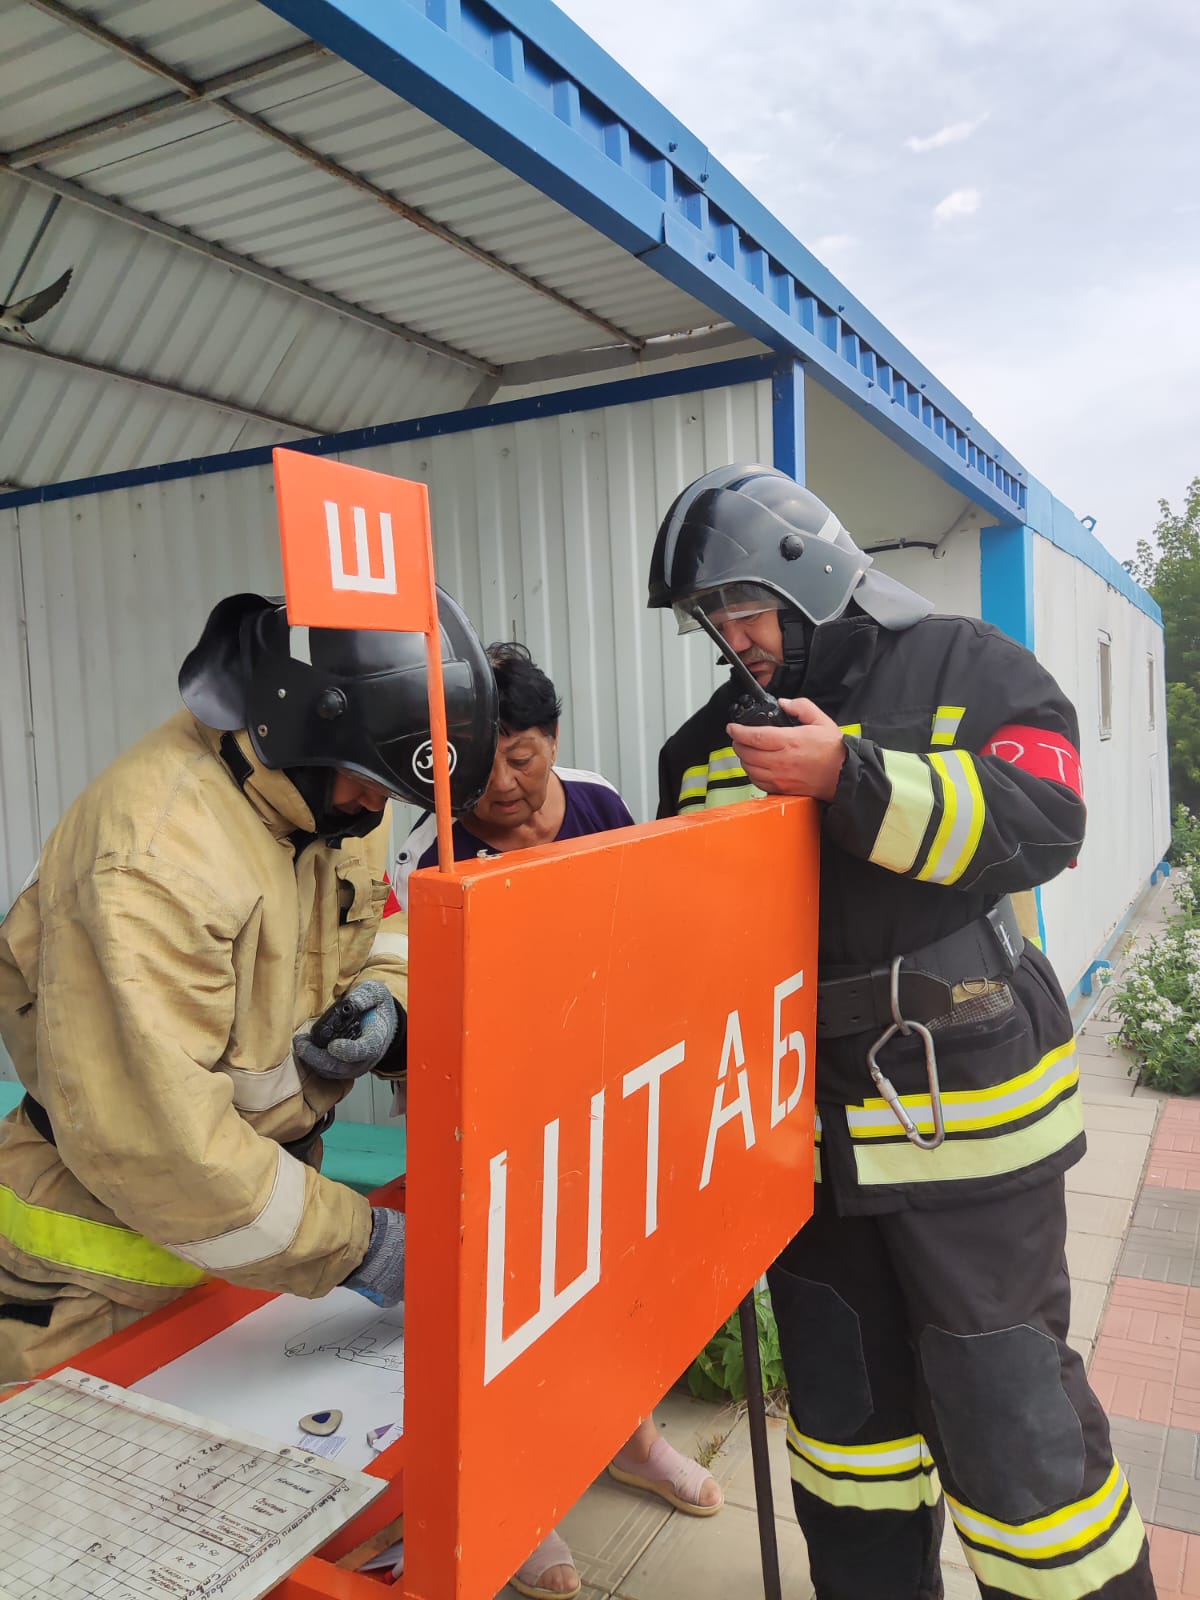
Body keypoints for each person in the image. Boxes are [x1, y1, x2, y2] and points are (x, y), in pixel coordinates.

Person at [649, 464, 1155, 1600]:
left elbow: (1048, 825)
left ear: (808, 573)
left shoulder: (971, 668)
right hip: (808, 1154)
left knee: (1013, 1424)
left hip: (965, 1125)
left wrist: (853, 777)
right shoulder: (705, 748)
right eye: (709, 619)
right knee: (848, 1435)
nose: (732, 639)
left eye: (742, 607)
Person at [0, 588, 498, 1383]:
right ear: (300, 726)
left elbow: (382, 926)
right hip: (97, 1283)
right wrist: (359, 1244)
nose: (379, 806)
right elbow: (166, 1149)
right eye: (368, 780)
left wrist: (389, 1005)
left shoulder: (332, 801)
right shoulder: (151, 860)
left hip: (254, 1237)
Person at [396, 641, 723, 1600]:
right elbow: (415, 1013)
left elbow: (649, 926)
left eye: (523, 756)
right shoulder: (423, 850)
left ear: (551, 740)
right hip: (491, 1120)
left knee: (621, 1275)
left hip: (608, 1092)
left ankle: (635, 1442)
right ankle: (523, 1502)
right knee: (508, 1305)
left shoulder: (599, 802)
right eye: (479, 762)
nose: (503, 784)